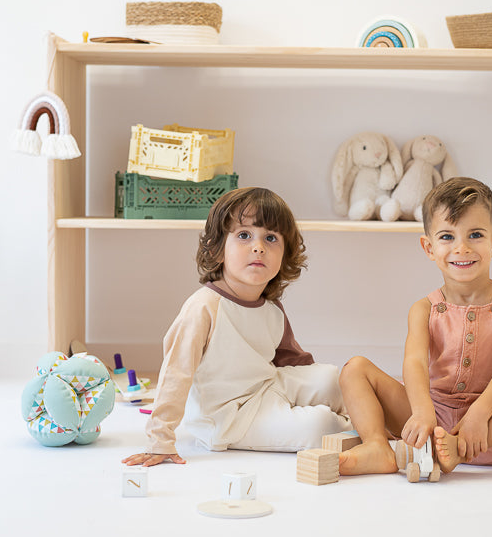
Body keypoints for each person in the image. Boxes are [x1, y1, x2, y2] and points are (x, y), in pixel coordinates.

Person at [338, 177, 492, 476]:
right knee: (355, 369)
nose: (462, 248)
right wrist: (421, 411)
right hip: (432, 418)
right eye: (447, 237)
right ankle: (378, 446)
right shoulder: (424, 308)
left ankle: (457, 449)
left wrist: (479, 416)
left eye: (475, 235)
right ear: (428, 248)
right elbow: (415, 362)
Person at [123, 187, 349, 467]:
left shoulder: (271, 308)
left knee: (333, 377)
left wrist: (321, 388)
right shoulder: (204, 306)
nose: (259, 247)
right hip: (228, 417)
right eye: (244, 235)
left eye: (271, 238)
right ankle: (365, 428)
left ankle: (369, 419)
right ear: (218, 249)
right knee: (320, 424)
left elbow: (293, 360)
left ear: (284, 254)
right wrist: (161, 440)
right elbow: (175, 373)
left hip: (267, 387)